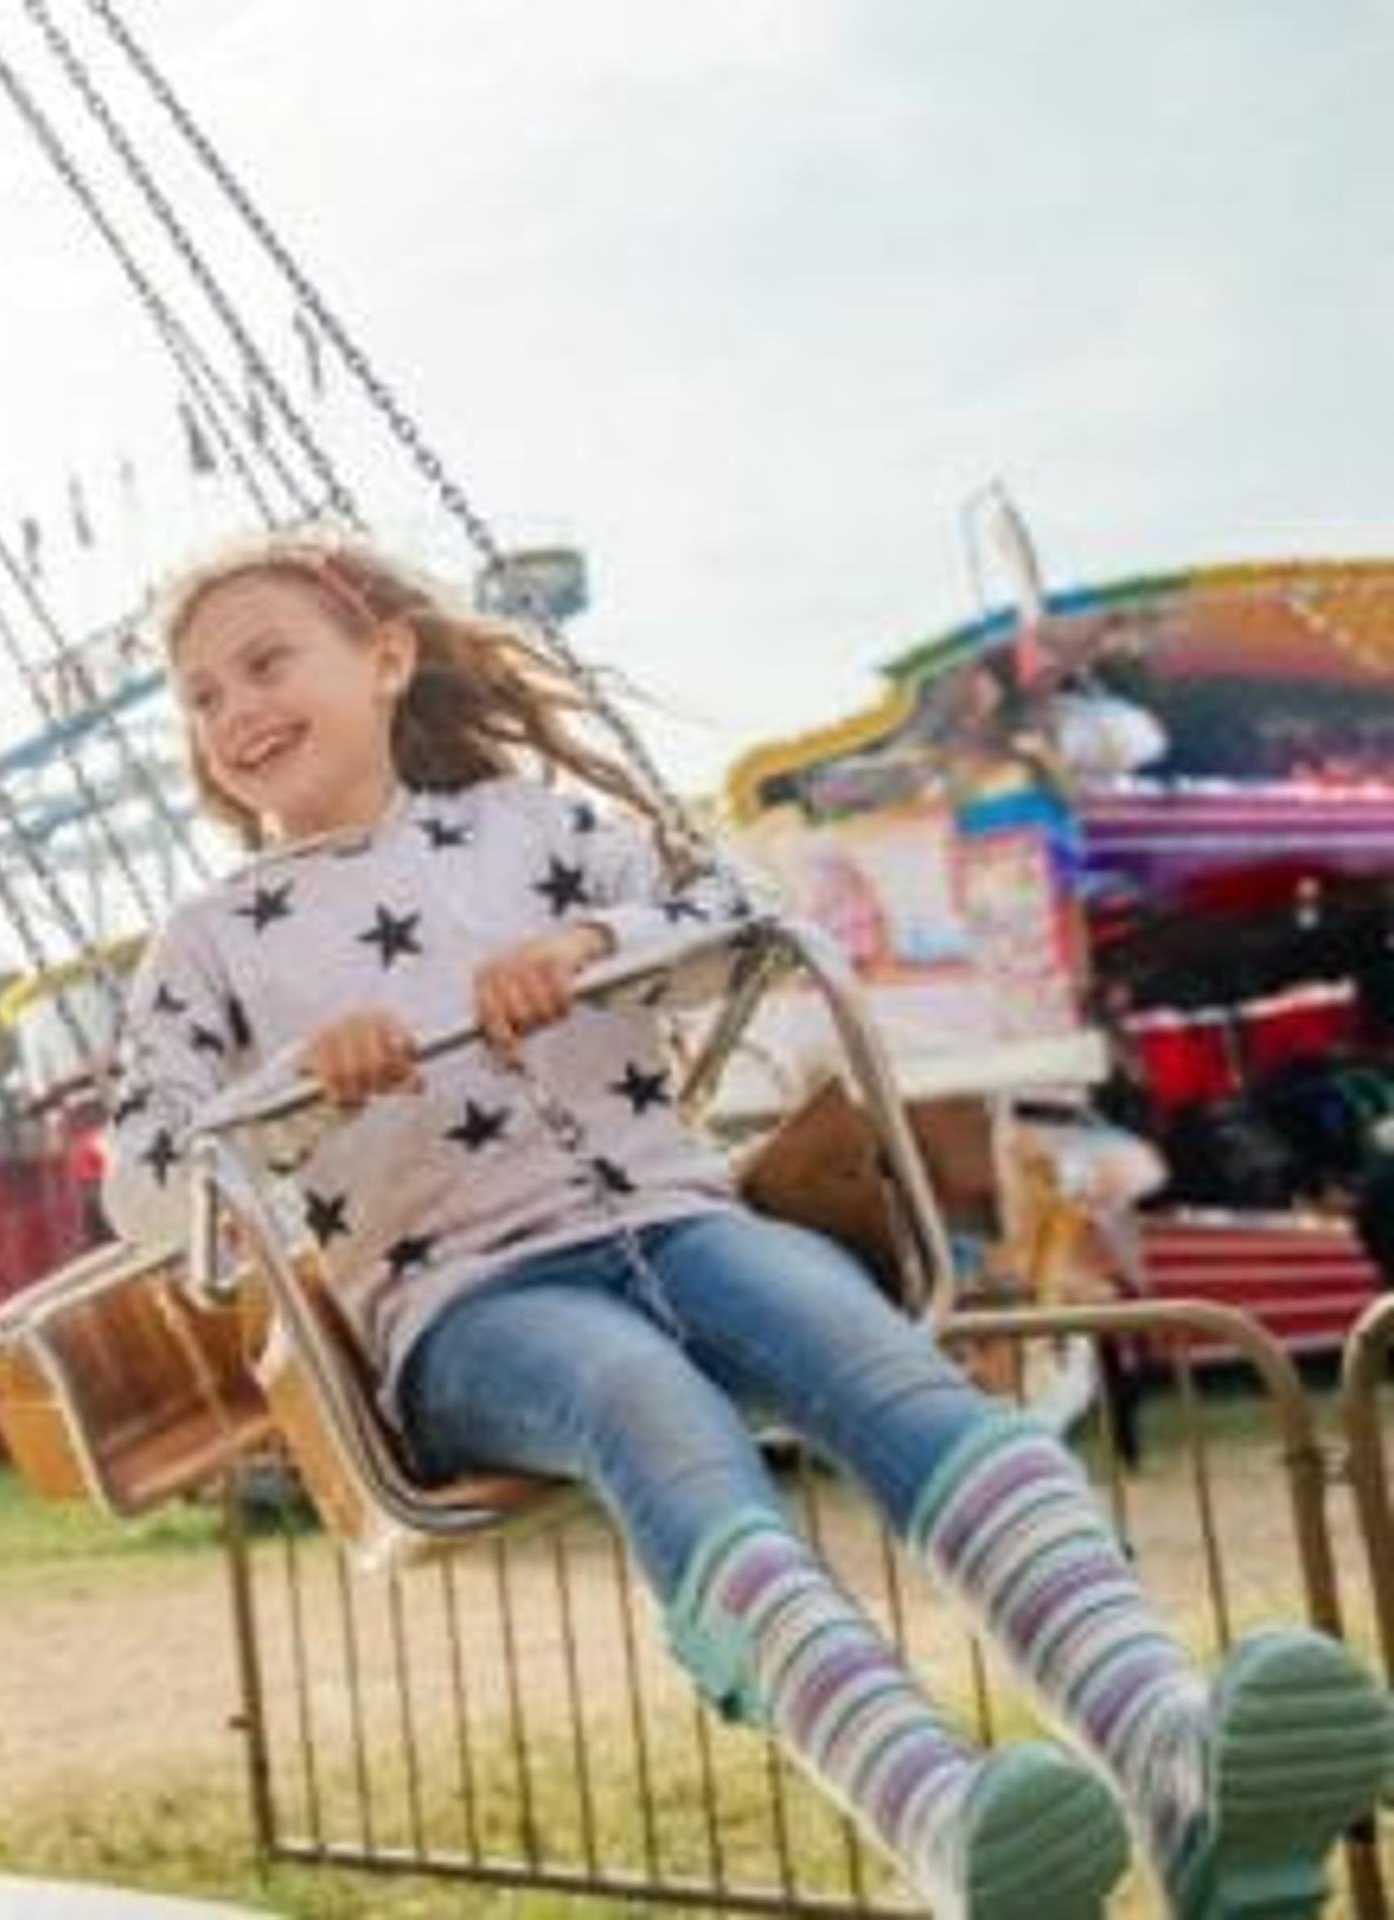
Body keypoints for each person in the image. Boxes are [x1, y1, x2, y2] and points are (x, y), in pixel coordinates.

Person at [97, 532, 1394, 1920]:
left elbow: (736, 908)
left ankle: (1174, 1756)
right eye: (200, 696)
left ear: (386, 658)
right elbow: (144, 1177)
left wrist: (592, 948)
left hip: (676, 1213)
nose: (233, 712)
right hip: (467, 1305)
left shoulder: (536, 833)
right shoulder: (213, 944)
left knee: (897, 1382)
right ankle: (944, 1818)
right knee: (644, 1404)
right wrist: (292, 1094)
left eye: (265, 663)